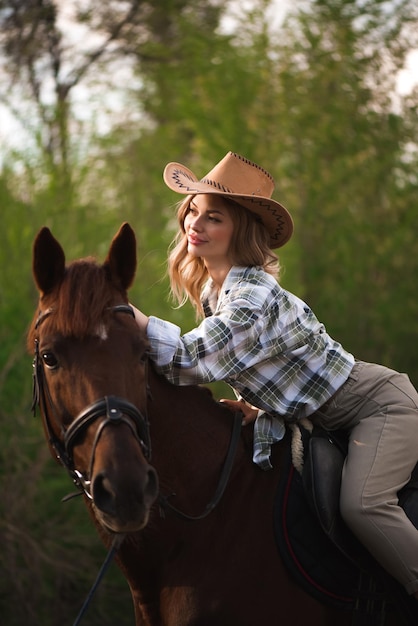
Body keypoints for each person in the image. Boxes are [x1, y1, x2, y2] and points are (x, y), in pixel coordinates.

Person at [132, 151, 418, 598]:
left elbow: (190, 360)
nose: (195, 224)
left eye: (213, 218)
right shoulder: (215, 292)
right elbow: (257, 363)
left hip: (376, 405)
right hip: (323, 415)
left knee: (363, 506)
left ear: (239, 230)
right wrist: (254, 405)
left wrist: (134, 321)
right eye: (193, 211)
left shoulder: (251, 296)